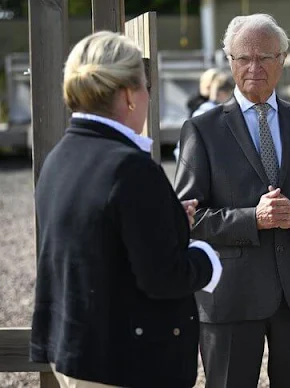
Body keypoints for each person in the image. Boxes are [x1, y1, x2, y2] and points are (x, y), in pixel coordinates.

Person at [30, 31, 222, 388]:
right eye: (147, 86)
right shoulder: (130, 168)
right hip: (125, 364)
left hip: (76, 353)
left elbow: (98, 236)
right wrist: (207, 259)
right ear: (130, 96)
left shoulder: (59, 158)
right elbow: (164, 277)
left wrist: (167, 222)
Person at [174, 14, 290, 388]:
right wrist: (251, 219)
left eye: (265, 57)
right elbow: (185, 217)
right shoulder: (202, 130)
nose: (254, 67)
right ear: (230, 62)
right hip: (230, 295)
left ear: (283, 60)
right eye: (243, 58)